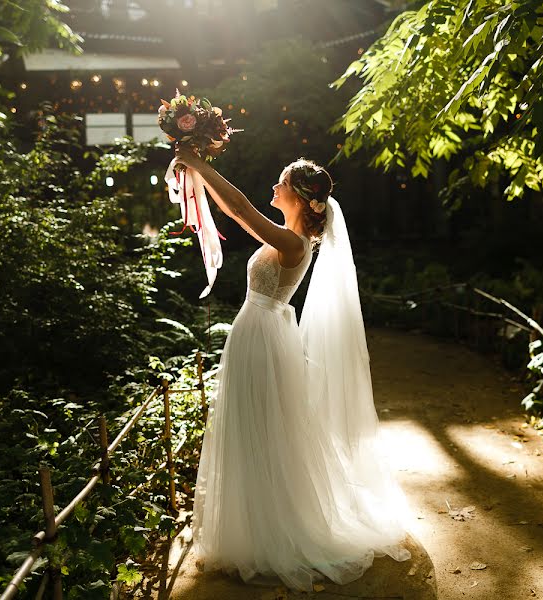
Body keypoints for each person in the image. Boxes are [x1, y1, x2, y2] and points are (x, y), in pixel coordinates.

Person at [173, 145, 413, 592]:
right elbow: (240, 210)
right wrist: (198, 167)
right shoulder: (285, 237)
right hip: (262, 333)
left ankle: (270, 534)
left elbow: (240, 209)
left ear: (301, 199)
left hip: (263, 337)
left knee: (260, 427)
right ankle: (255, 526)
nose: (273, 186)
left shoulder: (291, 242)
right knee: (258, 428)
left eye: (281, 182)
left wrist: (200, 165)